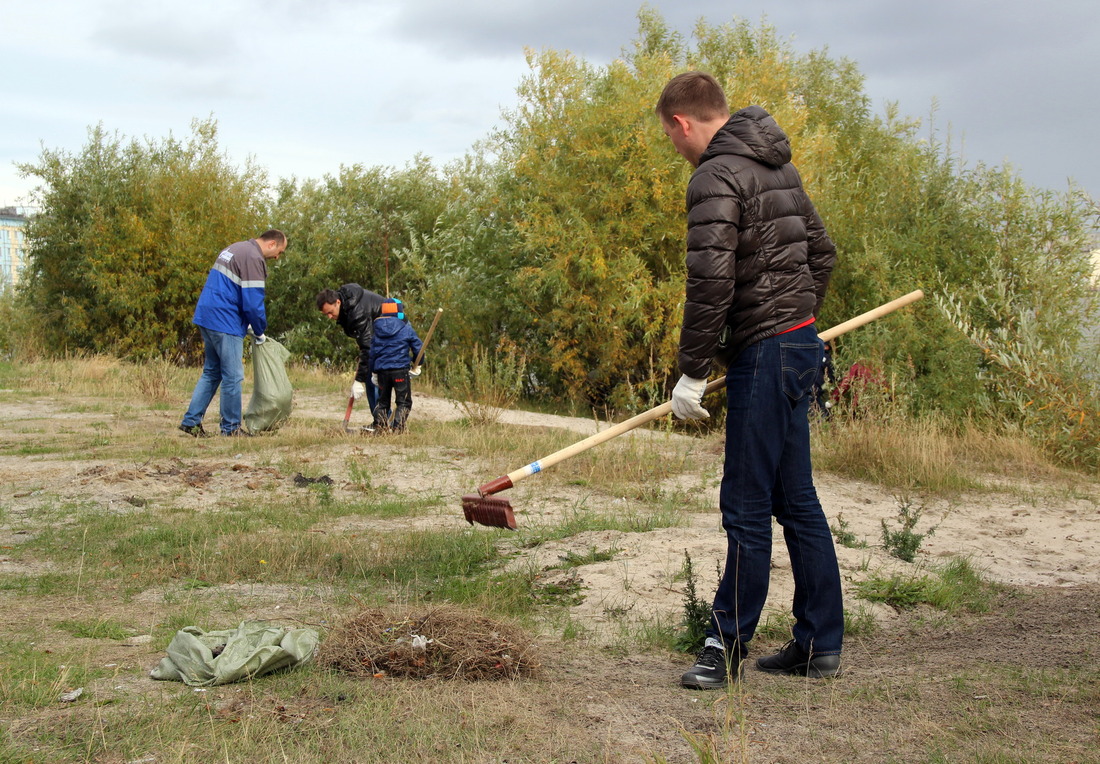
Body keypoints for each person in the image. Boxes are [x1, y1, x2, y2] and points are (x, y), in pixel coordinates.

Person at [656, 71, 843, 690]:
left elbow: (709, 285)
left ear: (683, 122)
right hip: (798, 345)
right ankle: (818, 642)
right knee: (797, 501)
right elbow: (823, 253)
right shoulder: (777, 165)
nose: (674, 147)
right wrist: (796, 316)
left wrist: (690, 372)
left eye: (670, 135)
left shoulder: (714, 175)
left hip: (766, 356)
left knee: (746, 506)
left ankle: (724, 645)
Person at [180, 229, 287, 437]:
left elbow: (229, 288)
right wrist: (259, 330)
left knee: (212, 372)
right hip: (224, 321)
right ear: (272, 244)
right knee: (233, 376)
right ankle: (230, 428)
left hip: (207, 315)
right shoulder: (254, 258)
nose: (276, 257)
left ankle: (191, 422)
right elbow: (253, 302)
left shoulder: (235, 248)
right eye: (279, 252)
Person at [316, 284, 386, 414]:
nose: (329, 317)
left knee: (376, 377)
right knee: (371, 376)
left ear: (338, 302)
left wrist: (359, 380)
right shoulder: (346, 304)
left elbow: (367, 347)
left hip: (394, 332)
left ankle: (383, 422)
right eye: (326, 314)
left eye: (330, 312)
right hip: (378, 336)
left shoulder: (357, 312)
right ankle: (379, 421)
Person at [369, 298, 424, 432]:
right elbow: (419, 348)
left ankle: (380, 427)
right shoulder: (406, 328)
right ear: (399, 312)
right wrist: (417, 364)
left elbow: (372, 353)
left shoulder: (376, 330)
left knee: (382, 402)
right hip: (400, 370)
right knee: (403, 402)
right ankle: (398, 428)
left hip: (382, 372)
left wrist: (374, 372)